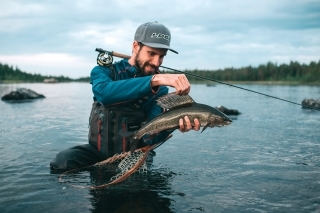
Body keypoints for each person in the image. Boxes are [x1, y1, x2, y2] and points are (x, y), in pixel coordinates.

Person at [50, 21, 200, 173]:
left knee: (135, 179)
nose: (156, 62)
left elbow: (148, 138)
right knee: (61, 162)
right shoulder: (104, 72)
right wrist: (154, 80)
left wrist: (173, 125)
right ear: (135, 46)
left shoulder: (160, 91)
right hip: (96, 152)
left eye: (161, 56)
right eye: (152, 53)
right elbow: (104, 93)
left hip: (134, 154)